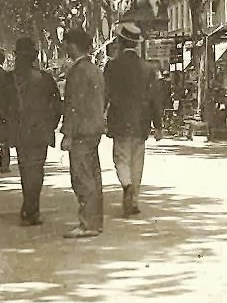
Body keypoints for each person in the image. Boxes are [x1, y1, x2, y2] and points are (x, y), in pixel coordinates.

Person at [105, 23, 162, 217]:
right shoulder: (148, 69)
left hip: (119, 121)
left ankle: (126, 185)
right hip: (141, 122)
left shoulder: (112, 66)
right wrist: (158, 125)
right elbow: (155, 99)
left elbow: (105, 95)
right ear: (137, 44)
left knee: (121, 158)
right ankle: (134, 200)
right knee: (137, 161)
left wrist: (101, 116)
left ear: (120, 42)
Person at [9, 37, 62, 226]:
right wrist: (51, 125)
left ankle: (29, 206)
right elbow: (57, 105)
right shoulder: (46, 78)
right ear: (34, 57)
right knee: (37, 169)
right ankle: (32, 207)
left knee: (25, 168)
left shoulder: (9, 79)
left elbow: (0, 108)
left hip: (21, 131)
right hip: (41, 131)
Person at [61, 28, 106, 238]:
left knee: (81, 177)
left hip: (81, 131)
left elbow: (73, 105)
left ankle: (87, 223)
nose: (64, 48)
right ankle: (95, 221)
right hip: (94, 128)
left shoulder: (77, 71)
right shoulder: (95, 69)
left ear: (73, 45)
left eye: (66, 44)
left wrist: (67, 133)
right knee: (94, 175)